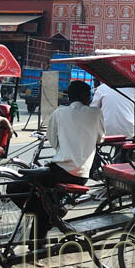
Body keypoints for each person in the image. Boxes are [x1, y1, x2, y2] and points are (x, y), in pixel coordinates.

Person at [10, 80, 104, 245]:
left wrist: (66, 146)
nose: (90, 97)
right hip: (81, 174)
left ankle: (46, 215)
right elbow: (100, 139)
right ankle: (48, 215)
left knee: (13, 187)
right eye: (88, 94)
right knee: (44, 200)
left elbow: (53, 141)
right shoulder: (95, 113)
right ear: (84, 96)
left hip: (62, 169)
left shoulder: (59, 113)